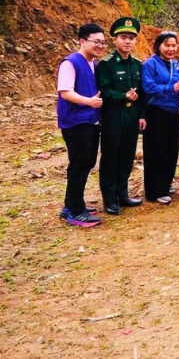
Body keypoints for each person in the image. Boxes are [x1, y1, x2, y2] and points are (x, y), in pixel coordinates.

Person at [96, 17, 146, 216]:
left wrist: (142, 115)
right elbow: (104, 91)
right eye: (123, 37)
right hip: (113, 115)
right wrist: (122, 96)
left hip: (132, 115)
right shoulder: (106, 64)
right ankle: (110, 200)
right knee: (110, 156)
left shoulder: (137, 64)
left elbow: (142, 93)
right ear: (115, 39)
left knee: (127, 155)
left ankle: (122, 195)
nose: (127, 41)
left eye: (131, 38)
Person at [57, 23, 106, 227]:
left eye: (103, 43)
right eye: (97, 42)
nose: (100, 46)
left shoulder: (93, 63)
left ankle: (72, 204)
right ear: (82, 41)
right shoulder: (70, 63)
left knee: (85, 163)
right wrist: (88, 101)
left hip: (90, 120)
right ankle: (75, 212)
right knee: (79, 164)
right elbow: (65, 92)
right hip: (76, 122)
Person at [142, 31, 179, 204]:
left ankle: (165, 183)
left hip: (172, 111)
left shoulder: (175, 65)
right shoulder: (150, 64)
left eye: (173, 45)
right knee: (156, 150)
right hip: (156, 111)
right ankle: (154, 189)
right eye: (167, 45)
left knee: (171, 149)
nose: (171, 49)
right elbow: (149, 87)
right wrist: (172, 89)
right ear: (159, 46)